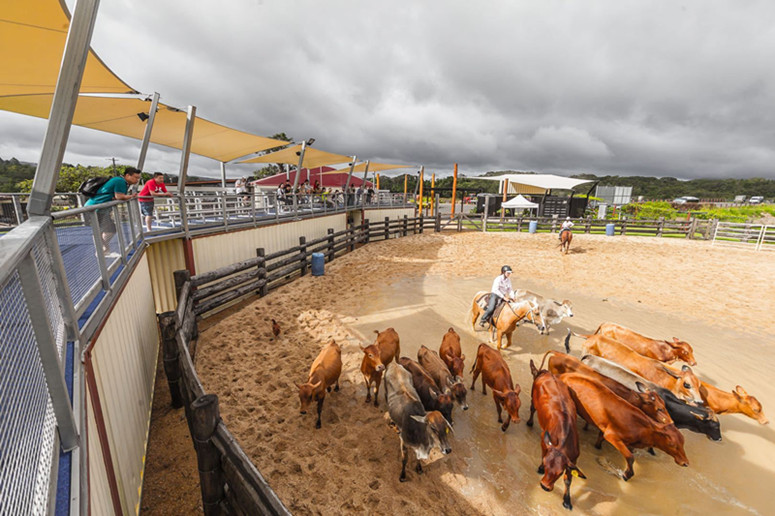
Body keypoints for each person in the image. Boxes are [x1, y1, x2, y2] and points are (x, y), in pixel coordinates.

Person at [85, 167, 140, 256]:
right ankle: (102, 251)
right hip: (96, 208)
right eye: (135, 177)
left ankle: (104, 250)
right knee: (107, 230)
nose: (137, 180)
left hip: (97, 208)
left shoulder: (120, 181)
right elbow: (119, 196)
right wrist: (132, 196)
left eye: (138, 178)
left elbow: (115, 196)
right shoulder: (120, 181)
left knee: (106, 230)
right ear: (127, 175)